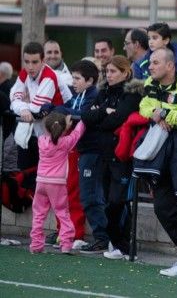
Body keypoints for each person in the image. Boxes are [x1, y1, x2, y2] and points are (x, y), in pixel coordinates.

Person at [138, 47, 177, 252]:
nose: (150, 67)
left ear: (170, 65)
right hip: (162, 152)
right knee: (163, 207)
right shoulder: (150, 82)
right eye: (150, 63)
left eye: (155, 63)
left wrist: (163, 114)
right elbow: (144, 107)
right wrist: (157, 113)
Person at [80, 55, 143, 258]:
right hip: (104, 155)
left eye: (114, 71)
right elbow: (87, 116)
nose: (109, 75)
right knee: (110, 201)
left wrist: (103, 114)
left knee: (118, 202)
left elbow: (116, 120)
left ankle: (123, 243)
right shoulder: (104, 92)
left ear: (125, 73)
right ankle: (120, 245)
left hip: (122, 157)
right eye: (107, 71)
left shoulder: (132, 94)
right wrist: (105, 112)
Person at [43, 60, 100, 250]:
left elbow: (80, 113)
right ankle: (63, 231)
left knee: (75, 191)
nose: (73, 82)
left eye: (77, 78)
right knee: (65, 189)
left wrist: (61, 110)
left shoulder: (94, 96)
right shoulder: (78, 94)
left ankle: (75, 232)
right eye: (73, 77)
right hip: (73, 146)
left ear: (90, 80)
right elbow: (65, 107)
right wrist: (51, 108)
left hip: (84, 148)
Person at [10, 42, 72, 180]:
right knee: (28, 176)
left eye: (35, 62)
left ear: (43, 61)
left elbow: (37, 109)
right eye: (27, 62)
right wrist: (24, 107)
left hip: (57, 134)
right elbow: (13, 98)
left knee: (48, 179)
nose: (30, 66)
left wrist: (24, 105)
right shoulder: (24, 72)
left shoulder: (49, 76)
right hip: (38, 133)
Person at [29, 112, 86, 254]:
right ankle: (66, 244)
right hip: (57, 183)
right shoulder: (65, 142)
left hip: (41, 181)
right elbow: (78, 132)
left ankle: (36, 245)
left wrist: (62, 127)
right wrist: (82, 119)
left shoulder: (41, 140)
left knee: (38, 214)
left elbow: (50, 133)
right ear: (64, 129)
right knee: (63, 213)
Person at [0, 61, 15, 138]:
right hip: (12, 130)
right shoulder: (13, 86)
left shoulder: (3, 89)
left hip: (5, 130)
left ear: (0, 74)